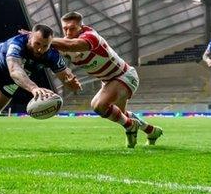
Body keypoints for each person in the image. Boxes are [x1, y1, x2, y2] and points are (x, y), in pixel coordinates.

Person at [0, 24, 81, 148]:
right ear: (30, 37)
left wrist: (70, 81)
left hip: (12, 79)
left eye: (45, 46)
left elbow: (64, 74)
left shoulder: (52, 55)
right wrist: (34, 88)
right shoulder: (17, 43)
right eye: (37, 44)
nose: (40, 49)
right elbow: (14, 70)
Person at [51, 12, 163, 148]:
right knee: (121, 115)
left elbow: (72, 45)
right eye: (65, 28)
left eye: (72, 28)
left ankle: (130, 126)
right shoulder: (64, 44)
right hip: (109, 81)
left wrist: (47, 40)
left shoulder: (90, 36)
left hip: (124, 75)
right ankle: (152, 131)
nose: (68, 32)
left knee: (98, 105)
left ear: (81, 27)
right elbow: (54, 58)